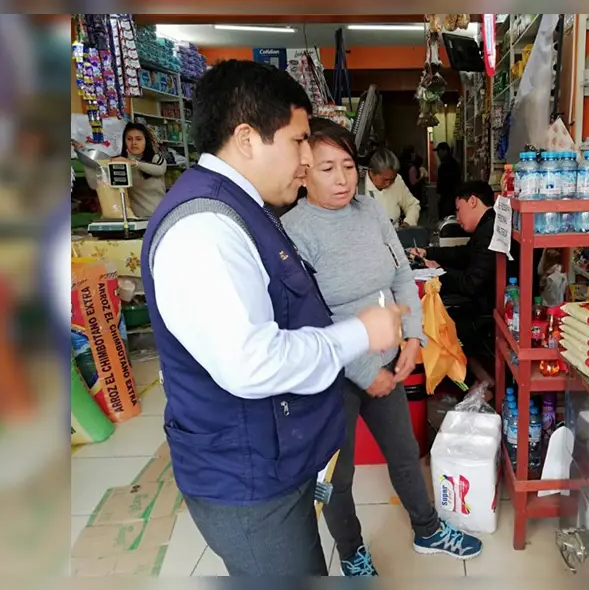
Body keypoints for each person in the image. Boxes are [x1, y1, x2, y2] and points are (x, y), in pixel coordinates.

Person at [138, 60, 407, 577]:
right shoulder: (204, 231)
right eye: (299, 141)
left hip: (275, 459)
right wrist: (359, 333)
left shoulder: (246, 209)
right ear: (246, 139)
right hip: (247, 480)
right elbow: (251, 363)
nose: (307, 160)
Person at [283, 118, 482, 577]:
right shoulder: (293, 233)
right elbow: (311, 316)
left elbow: (400, 276)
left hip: (386, 360)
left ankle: (427, 529)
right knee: (338, 475)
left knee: (405, 452)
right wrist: (362, 370)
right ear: (303, 171)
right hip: (333, 375)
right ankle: (351, 551)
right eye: (327, 168)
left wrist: (413, 336)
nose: (341, 179)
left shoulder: (370, 211)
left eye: (348, 166)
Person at [409, 181, 496, 352]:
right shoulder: (486, 226)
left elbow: (470, 284)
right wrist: (428, 253)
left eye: (458, 209)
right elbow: (463, 254)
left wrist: (438, 272)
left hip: (486, 311)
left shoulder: (489, 231)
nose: (457, 217)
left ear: (472, 201)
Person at [111, 122, 167, 217]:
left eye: (138, 139)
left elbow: (160, 170)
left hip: (159, 215)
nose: (134, 143)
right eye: (129, 139)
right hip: (135, 218)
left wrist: (135, 163)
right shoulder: (121, 162)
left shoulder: (155, 158)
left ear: (146, 141)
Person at [361, 147, 421, 228]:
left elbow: (412, 205)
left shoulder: (397, 181)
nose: (388, 183)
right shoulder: (357, 186)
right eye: (385, 180)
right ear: (372, 173)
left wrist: (408, 223)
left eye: (392, 179)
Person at [434, 142, 461, 221]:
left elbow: (442, 183)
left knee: (445, 218)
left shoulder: (444, 165)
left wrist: (439, 195)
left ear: (445, 151)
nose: (437, 154)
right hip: (454, 196)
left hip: (446, 198)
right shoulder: (454, 164)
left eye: (439, 151)